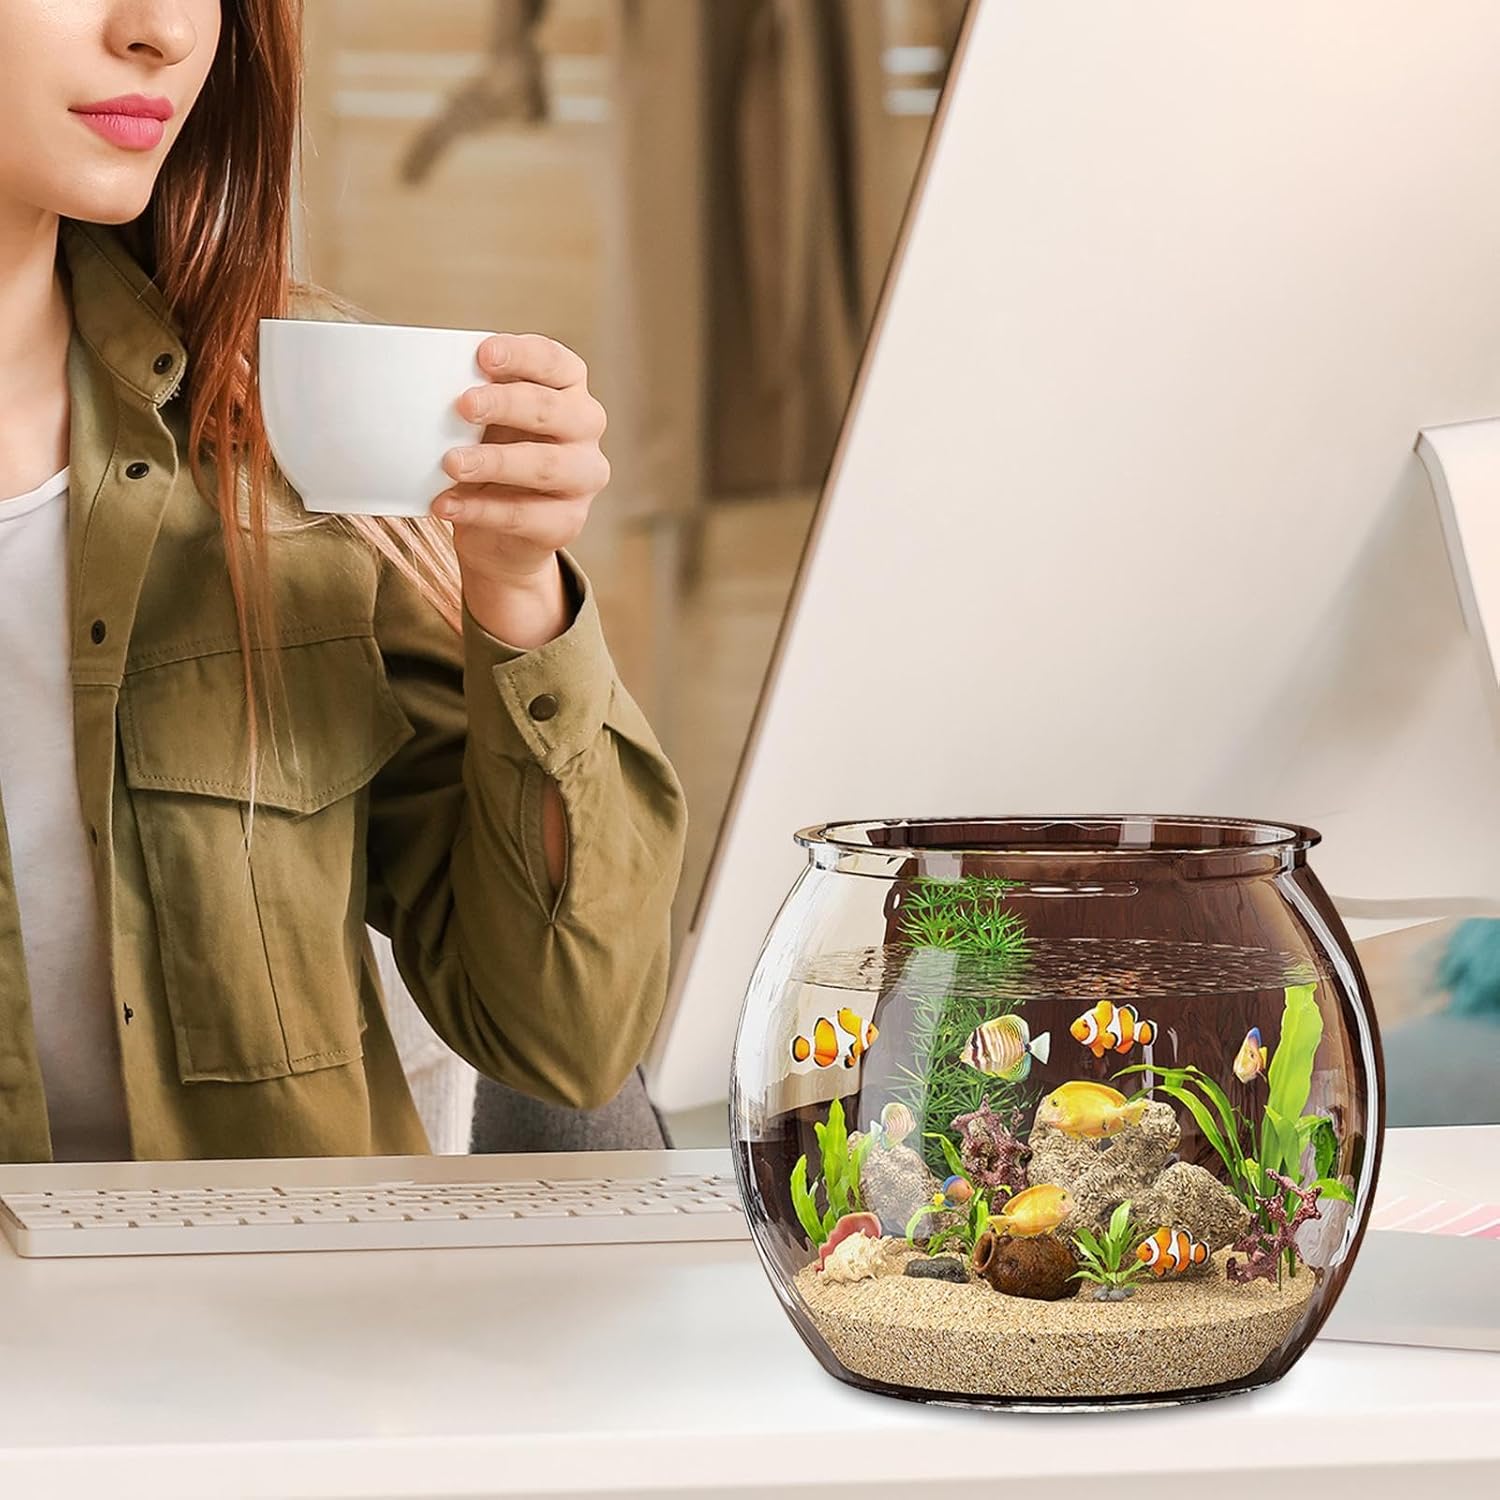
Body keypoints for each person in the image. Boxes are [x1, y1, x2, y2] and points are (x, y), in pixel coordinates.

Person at [0, 0, 687, 1164]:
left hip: (296, 1318)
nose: (163, 29)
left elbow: (567, 1037)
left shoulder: (285, 421)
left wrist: (518, 589)